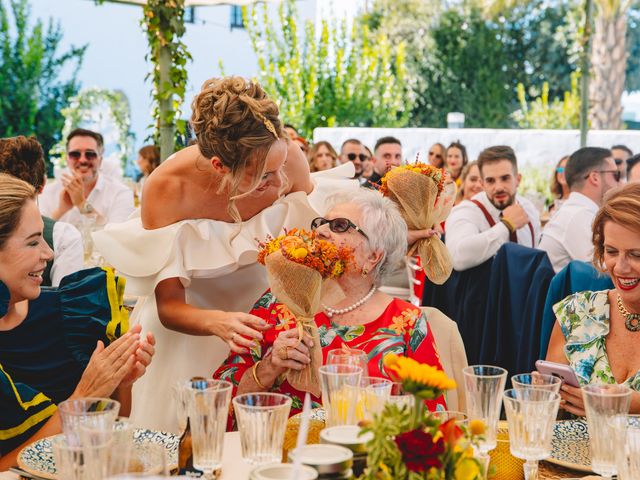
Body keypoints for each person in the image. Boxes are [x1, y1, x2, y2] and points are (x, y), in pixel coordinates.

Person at [93, 76, 358, 432]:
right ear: (220, 166)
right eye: (264, 176)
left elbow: (317, 249)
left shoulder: (289, 158)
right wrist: (218, 322)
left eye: (281, 167)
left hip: (269, 326)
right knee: (192, 440)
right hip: (190, 333)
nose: (280, 184)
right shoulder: (167, 189)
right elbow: (169, 306)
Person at [214, 189, 447, 417]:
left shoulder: (406, 321)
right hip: (284, 449)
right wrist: (269, 367)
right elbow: (221, 401)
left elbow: (433, 418)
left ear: (373, 256)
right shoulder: (280, 301)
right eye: (320, 223)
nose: (321, 231)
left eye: (339, 226)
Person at [0, 173, 154, 468]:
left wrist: (121, 382)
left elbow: (110, 433)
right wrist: (85, 395)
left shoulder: (65, 313)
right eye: (33, 243)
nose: (49, 253)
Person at [546, 182, 640, 415]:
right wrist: (548, 395)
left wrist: (628, 404)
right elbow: (551, 407)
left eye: (636, 254)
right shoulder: (576, 312)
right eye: (611, 251)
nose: (620, 267)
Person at [0, 136, 83, 287]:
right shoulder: (65, 237)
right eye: (32, 243)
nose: (49, 254)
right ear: (43, 183)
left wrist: (60, 210)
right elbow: (66, 303)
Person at [445, 145, 541, 271]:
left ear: (518, 179)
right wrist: (506, 226)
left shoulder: (529, 209)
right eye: (490, 181)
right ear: (482, 184)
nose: (499, 187)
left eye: (505, 178)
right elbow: (456, 257)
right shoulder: (467, 211)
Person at [540, 147, 620, 273]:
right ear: (595, 178)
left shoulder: (575, 211)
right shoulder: (578, 216)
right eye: (616, 175)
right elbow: (606, 272)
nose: (619, 182)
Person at [38, 128, 135, 228]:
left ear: (100, 160)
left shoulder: (120, 193)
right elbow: (38, 234)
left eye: (90, 154)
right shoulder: (49, 192)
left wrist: (82, 205)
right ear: (67, 160)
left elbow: (118, 236)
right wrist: (60, 211)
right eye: (75, 154)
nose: (83, 160)